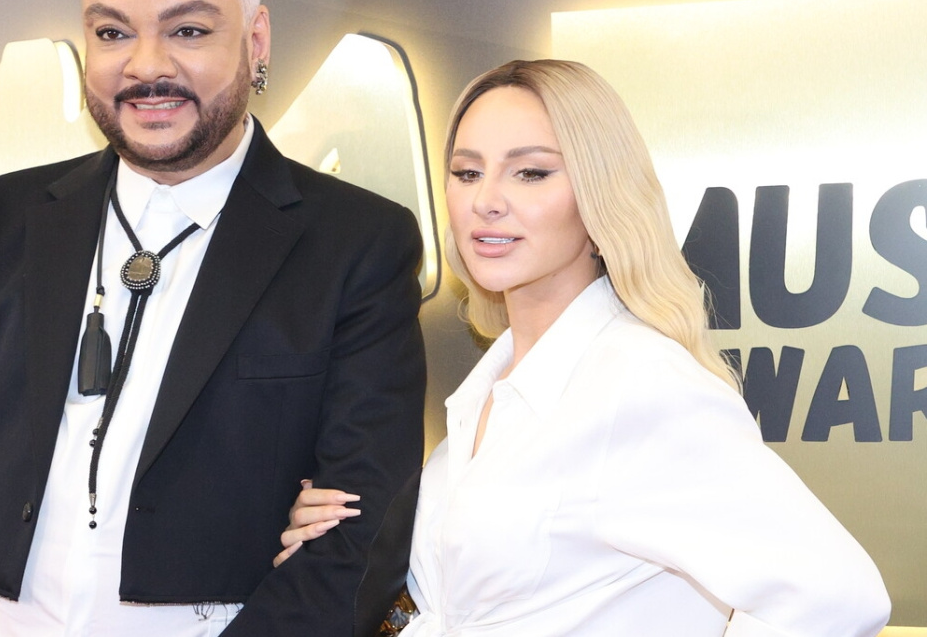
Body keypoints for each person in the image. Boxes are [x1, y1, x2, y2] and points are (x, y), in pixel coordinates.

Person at [0, 0, 426, 637]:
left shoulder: (356, 245)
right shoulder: (0, 220)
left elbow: (358, 540)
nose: (145, 66)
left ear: (256, 41)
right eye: (112, 32)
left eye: (189, 31)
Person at [279, 60, 891, 636]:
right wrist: (347, 543)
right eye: (467, 172)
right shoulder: (493, 387)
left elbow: (839, 598)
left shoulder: (639, 383)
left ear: (600, 194)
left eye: (531, 172)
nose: (486, 199)